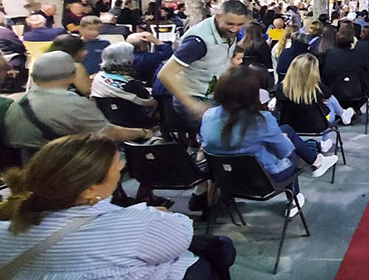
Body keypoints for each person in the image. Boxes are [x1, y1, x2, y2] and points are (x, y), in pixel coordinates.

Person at [0, 133, 235, 279]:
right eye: (116, 165)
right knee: (220, 248)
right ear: (89, 190)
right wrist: (159, 215)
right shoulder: (136, 223)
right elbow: (181, 237)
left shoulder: (6, 228)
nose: (122, 167)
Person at [201, 66, 339, 217]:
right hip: (265, 181)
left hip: (226, 180)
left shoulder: (208, 116)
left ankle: (316, 161)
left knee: (285, 129)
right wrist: (283, 140)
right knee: (287, 142)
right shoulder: (262, 120)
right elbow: (285, 152)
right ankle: (295, 196)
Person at [2, 52, 152, 151]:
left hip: (30, 167)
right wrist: (143, 132)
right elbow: (109, 133)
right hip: (65, 168)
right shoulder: (73, 104)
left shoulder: (17, 104)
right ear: (72, 75)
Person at [157, 0, 250, 130]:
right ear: (218, 17)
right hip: (194, 97)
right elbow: (165, 74)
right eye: (230, 24)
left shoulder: (227, 32)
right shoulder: (198, 42)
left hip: (212, 94)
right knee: (224, 134)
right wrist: (192, 105)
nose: (235, 29)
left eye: (240, 24)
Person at [276, 54, 355, 146]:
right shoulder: (317, 88)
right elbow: (328, 96)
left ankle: (343, 114)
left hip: (289, 125)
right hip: (318, 125)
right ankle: (326, 140)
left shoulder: (281, 88)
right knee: (330, 104)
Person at [90, 42, 158, 127]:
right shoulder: (129, 83)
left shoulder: (98, 77)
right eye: (131, 54)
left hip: (107, 120)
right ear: (126, 58)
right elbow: (145, 97)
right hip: (133, 122)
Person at [320, 29, 369, 112]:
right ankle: (353, 109)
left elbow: (323, 72)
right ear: (351, 41)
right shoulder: (359, 54)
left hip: (333, 91)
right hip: (356, 92)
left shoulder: (328, 54)